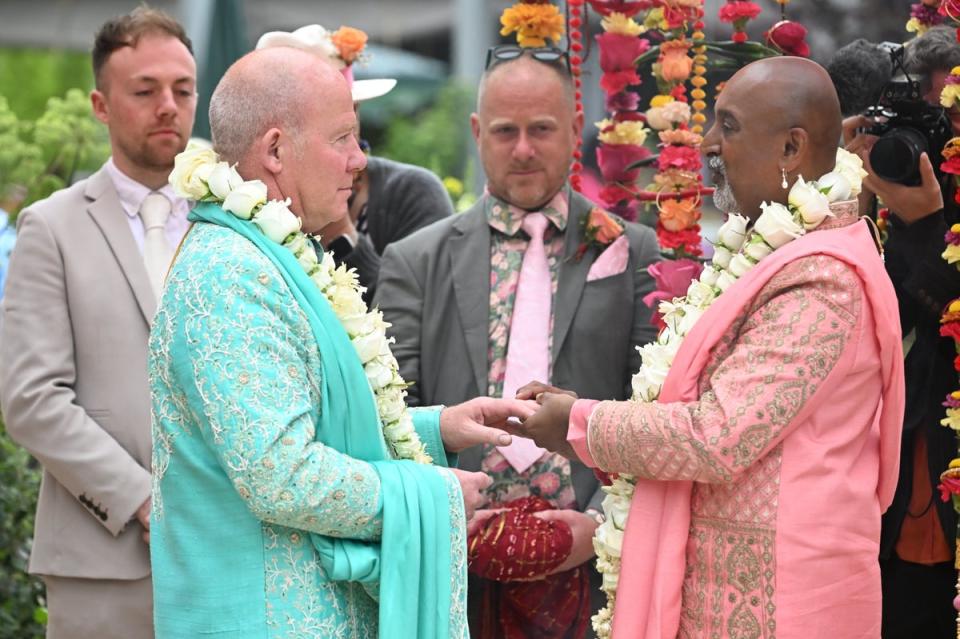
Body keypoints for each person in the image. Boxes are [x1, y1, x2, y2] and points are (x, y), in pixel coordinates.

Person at [507, 56, 904, 639]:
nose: (709, 143)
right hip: (727, 599)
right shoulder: (782, 255)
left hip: (785, 605)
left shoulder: (824, 281)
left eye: (730, 126)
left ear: (791, 149)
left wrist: (579, 423)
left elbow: (715, 437)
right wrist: (576, 420)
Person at [149, 46, 534, 638]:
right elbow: (283, 475)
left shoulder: (271, 254)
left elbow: (311, 421)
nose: (360, 162)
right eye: (344, 138)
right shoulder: (229, 274)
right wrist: (431, 493)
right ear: (276, 150)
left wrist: (436, 428)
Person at [375, 47, 660, 638]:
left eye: (542, 130)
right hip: (457, 571)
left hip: (597, 567)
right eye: (506, 131)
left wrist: (604, 524)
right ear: (478, 132)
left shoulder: (633, 251)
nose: (524, 149)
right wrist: (446, 510)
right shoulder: (414, 261)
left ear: (576, 130)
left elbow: (655, 411)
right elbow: (388, 418)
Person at [0, 8, 196, 638]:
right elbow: (30, 399)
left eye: (183, 90)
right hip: (102, 563)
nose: (168, 106)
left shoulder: (241, 217)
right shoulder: (50, 227)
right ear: (101, 104)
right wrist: (140, 497)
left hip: (233, 552)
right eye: (145, 91)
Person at [841, 25, 960, 639]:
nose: (941, 141)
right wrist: (851, 185)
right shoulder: (912, 188)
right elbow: (878, 312)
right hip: (910, 454)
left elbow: (945, 298)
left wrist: (930, 224)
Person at [256, 24, 454, 301]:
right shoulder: (245, 200)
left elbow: (424, 313)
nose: (349, 144)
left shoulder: (411, 193)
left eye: (348, 115)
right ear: (275, 144)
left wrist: (342, 233)